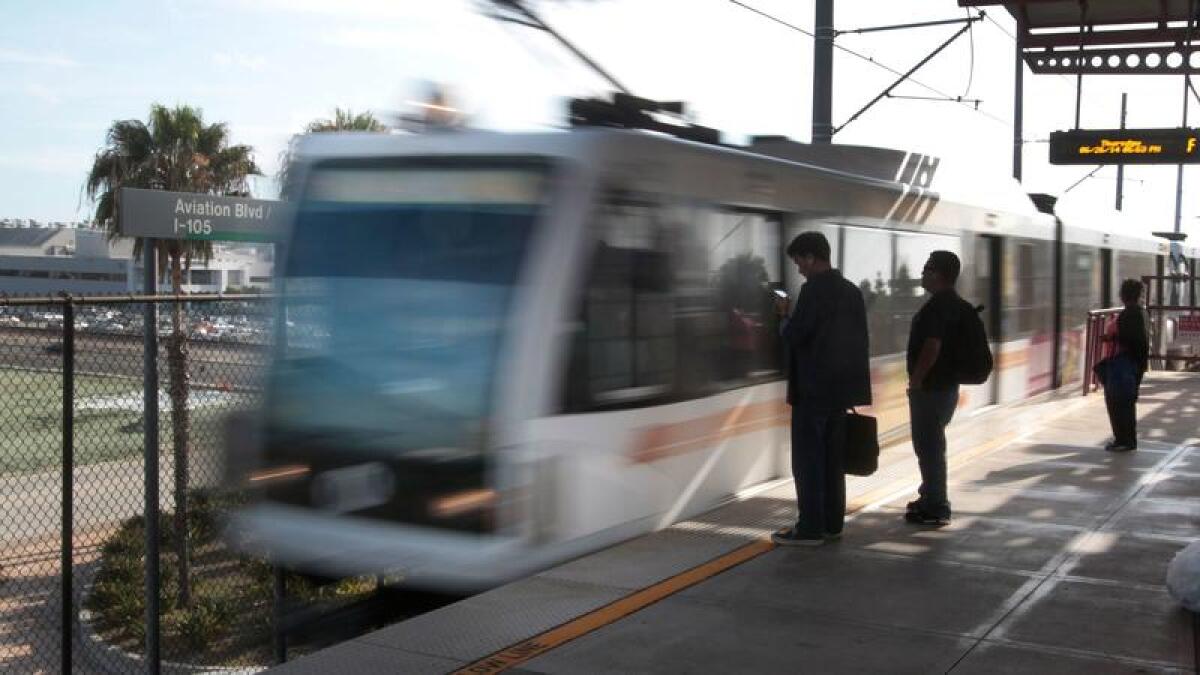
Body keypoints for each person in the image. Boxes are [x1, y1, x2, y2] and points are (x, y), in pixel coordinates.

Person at [771, 232, 871, 546]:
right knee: (832, 462)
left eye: (799, 260)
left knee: (808, 461)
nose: (799, 268)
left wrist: (784, 317)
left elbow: (797, 336)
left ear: (812, 257)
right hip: (840, 394)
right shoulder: (852, 292)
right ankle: (832, 524)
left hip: (812, 392)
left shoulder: (812, 293)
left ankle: (810, 528)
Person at [904, 250, 966, 527]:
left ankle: (937, 506)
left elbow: (932, 346)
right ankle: (929, 495)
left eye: (926, 269)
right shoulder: (954, 304)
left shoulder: (936, 307)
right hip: (946, 387)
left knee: (929, 448)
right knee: (932, 445)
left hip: (931, 390)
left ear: (937, 275)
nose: (921, 274)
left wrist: (916, 380)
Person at [1102, 279, 1149, 452]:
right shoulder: (1141, 312)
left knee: (1118, 403)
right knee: (1126, 403)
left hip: (1124, 366)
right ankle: (1126, 439)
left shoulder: (1130, 314)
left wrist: (1111, 338)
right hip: (1134, 365)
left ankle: (1124, 440)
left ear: (1124, 295)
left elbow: (1131, 340)